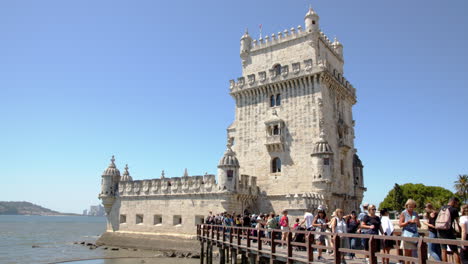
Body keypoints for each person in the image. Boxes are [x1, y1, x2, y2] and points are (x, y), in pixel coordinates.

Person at [438, 197, 461, 264]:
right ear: (454, 202)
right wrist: (460, 231)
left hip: (440, 230)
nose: (457, 205)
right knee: (454, 250)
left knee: (443, 250)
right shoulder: (454, 210)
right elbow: (457, 222)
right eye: (457, 204)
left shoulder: (441, 208)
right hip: (449, 231)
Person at [399, 199, 421, 264]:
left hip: (414, 236)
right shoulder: (404, 213)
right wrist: (408, 222)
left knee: (414, 254)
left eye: (412, 206)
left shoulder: (415, 213)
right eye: (409, 206)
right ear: (406, 206)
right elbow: (400, 224)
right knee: (407, 254)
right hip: (407, 235)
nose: (411, 208)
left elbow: (419, 226)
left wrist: (417, 222)